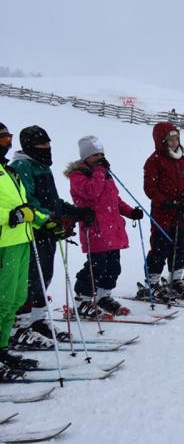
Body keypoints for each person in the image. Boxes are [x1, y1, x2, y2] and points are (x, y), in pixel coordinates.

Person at [9, 125, 94, 348]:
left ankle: (38, 321)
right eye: (42, 145)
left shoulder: (42, 166)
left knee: (45, 275)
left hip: (49, 230)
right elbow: (28, 200)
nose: (47, 148)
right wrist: (48, 219)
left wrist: (70, 211)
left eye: (48, 144)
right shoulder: (23, 166)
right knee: (30, 279)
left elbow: (50, 200)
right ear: (29, 146)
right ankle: (21, 326)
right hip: (35, 230)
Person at [67, 136, 143, 317]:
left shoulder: (104, 174)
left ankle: (102, 296)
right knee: (96, 267)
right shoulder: (78, 175)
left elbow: (114, 200)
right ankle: (82, 299)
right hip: (96, 229)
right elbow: (92, 192)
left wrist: (130, 212)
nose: (99, 158)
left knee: (113, 267)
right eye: (94, 155)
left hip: (113, 230)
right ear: (85, 157)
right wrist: (100, 171)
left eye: (101, 154)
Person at [0, 122, 49, 376]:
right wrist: (14, 215)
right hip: (3, 244)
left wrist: (44, 220)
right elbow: (14, 211)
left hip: (20, 241)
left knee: (15, 299)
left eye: (7, 139)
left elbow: (24, 205)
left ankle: (2, 348)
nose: (6, 145)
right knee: (2, 301)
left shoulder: (8, 172)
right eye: (1, 140)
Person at [137, 122, 184, 302]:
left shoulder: (180, 159)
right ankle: (152, 281)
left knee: (179, 246)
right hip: (163, 212)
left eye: (176, 138)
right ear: (161, 141)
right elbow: (150, 188)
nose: (174, 142)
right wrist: (166, 201)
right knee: (160, 246)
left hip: (179, 212)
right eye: (170, 139)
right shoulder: (154, 160)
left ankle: (176, 279)